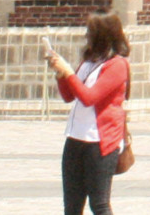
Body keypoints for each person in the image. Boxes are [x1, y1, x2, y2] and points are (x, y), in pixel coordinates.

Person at [45, 12, 131, 215]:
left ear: (104, 35)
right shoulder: (89, 61)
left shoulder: (117, 65)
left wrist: (68, 72)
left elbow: (89, 97)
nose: (87, 36)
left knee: (99, 204)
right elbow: (69, 96)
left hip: (100, 141)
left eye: (90, 32)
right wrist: (61, 74)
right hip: (76, 138)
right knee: (72, 206)